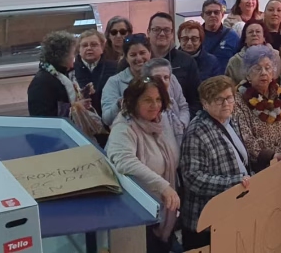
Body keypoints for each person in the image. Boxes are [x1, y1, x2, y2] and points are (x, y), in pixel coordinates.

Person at [105, 77, 180, 253]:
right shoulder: (124, 128)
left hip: (158, 211)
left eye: (158, 99)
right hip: (136, 216)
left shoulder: (156, 123)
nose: (155, 105)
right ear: (133, 101)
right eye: (148, 100)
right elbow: (124, 162)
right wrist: (164, 187)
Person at [179, 76, 253, 250]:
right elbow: (193, 179)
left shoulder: (230, 121)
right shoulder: (196, 131)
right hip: (205, 223)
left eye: (229, 98)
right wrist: (234, 182)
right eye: (218, 100)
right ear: (205, 103)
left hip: (232, 213)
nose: (226, 103)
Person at [102, 35, 188, 133]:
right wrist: (120, 104)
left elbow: (183, 107)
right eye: (133, 55)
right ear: (126, 57)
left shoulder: (168, 76)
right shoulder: (114, 82)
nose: (139, 58)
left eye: (142, 53)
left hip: (171, 136)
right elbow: (106, 118)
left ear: (150, 53)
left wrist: (180, 125)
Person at [231, 45, 281, 170]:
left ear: (273, 73)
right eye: (257, 68)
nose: (263, 73)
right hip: (259, 168)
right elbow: (245, 138)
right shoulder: (238, 99)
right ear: (247, 75)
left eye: (267, 68)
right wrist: (272, 156)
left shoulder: (280, 94)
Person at [147, 12, 201, 114]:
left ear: (172, 34)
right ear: (148, 32)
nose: (162, 33)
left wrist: (183, 123)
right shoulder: (139, 61)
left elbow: (196, 100)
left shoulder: (187, 61)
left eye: (166, 30)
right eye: (157, 29)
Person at [28, 31, 87, 117]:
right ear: (63, 55)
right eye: (73, 53)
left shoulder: (61, 74)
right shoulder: (42, 82)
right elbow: (43, 115)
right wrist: (76, 107)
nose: (74, 57)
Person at [72, 29, 118, 116]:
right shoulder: (70, 70)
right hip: (81, 119)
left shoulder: (115, 67)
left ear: (102, 47)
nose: (89, 48)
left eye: (94, 44)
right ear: (79, 49)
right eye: (84, 45)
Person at [200, 0, 239, 78]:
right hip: (202, 85)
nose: (213, 15)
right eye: (208, 13)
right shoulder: (195, 37)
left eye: (216, 12)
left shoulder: (232, 36)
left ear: (222, 14)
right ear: (202, 16)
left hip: (225, 84)